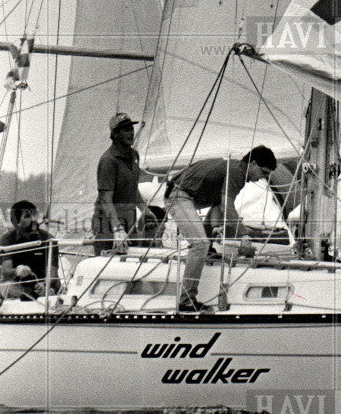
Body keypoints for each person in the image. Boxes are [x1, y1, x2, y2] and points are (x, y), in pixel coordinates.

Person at [165, 146, 278, 311]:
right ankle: (186, 300)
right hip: (179, 195)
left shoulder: (236, 170)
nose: (263, 178)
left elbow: (220, 202)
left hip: (187, 194)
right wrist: (244, 236)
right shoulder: (236, 172)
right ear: (252, 164)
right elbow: (227, 205)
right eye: (264, 172)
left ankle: (208, 249)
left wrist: (216, 226)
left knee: (204, 244)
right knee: (199, 245)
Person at [93, 113, 154, 255]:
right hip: (108, 221)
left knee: (129, 258)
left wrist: (145, 210)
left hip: (129, 217)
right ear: (115, 134)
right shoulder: (108, 161)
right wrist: (117, 228)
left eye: (131, 128)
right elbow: (105, 198)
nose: (131, 132)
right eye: (125, 129)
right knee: (106, 261)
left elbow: (132, 188)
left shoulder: (134, 155)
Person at [0, 200, 60, 300]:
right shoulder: (7, 239)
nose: (33, 220)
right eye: (27, 216)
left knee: (56, 284)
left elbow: (52, 273)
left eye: (35, 215)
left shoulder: (48, 239)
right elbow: (6, 272)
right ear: (16, 222)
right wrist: (17, 271)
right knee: (7, 286)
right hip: (19, 285)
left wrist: (45, 285)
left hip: (43, 284)